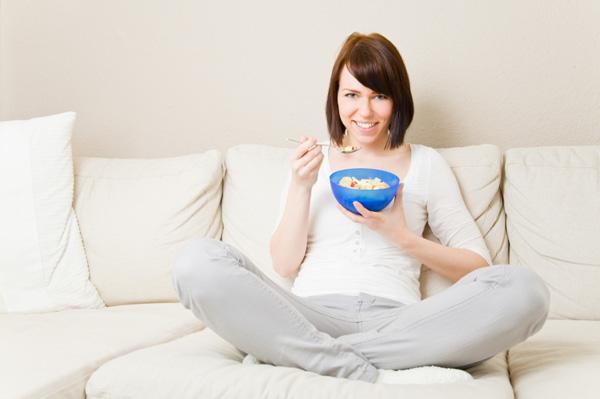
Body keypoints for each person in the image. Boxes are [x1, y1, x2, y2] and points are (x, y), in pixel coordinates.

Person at [172, 32, 550, 384]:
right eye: (352, 95)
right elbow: (284, 265)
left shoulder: (427, 164)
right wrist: (302, 188)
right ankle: (366, 369)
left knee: (525, 290)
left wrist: (401, 237)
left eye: (379, 96)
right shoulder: (311, 162)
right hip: (309, 315)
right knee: (196, 260)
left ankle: (301, 356)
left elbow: (478, 268)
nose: (364, 112)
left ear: (397, 100)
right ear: (335, 98)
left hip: (400, 322)